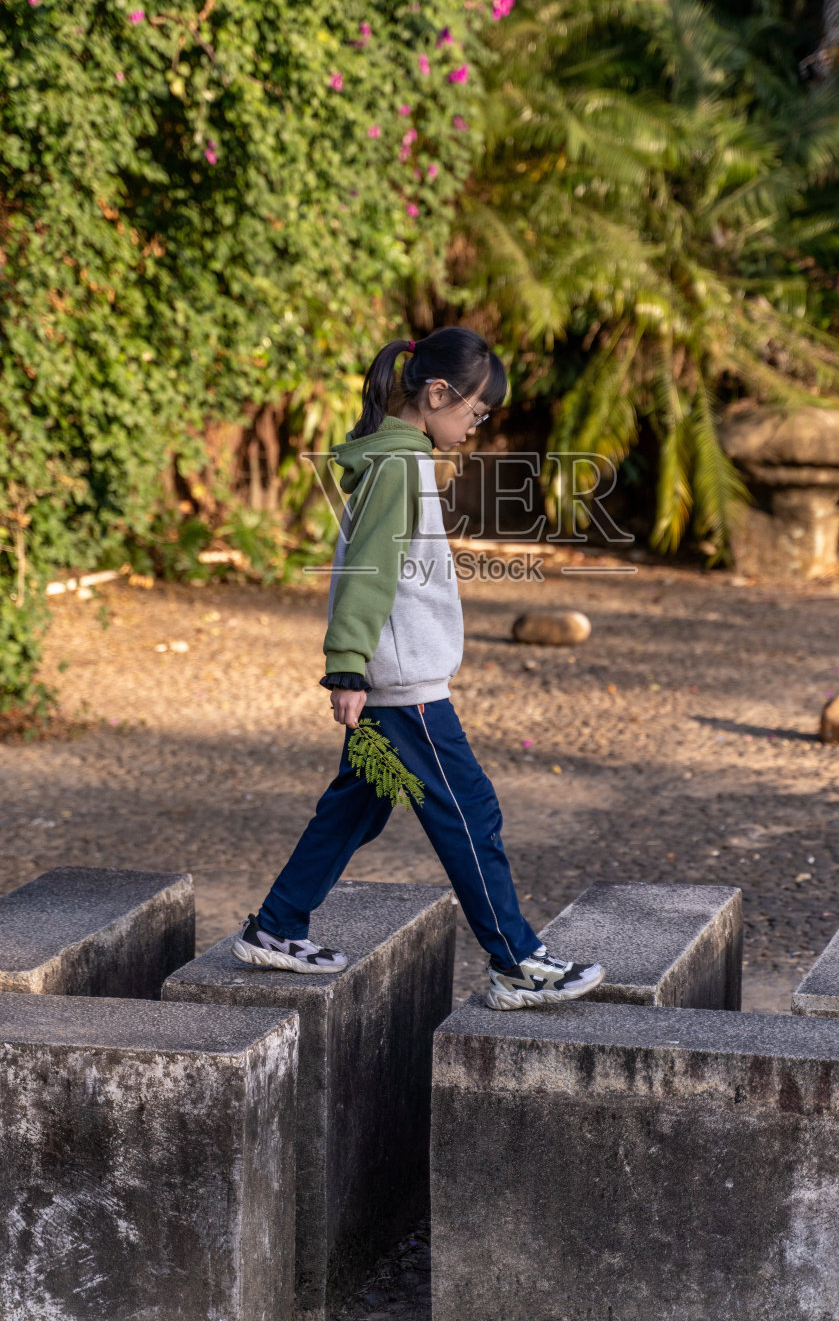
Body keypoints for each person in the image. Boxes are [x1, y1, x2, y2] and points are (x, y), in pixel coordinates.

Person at [233, 325, 605, 1009]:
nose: (474, 428)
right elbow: (368, 573)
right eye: (474, 414)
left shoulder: (398, 461)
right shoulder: (398, 469)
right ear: (436, 394)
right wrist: (347, 668)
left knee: (358, 804)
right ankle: (517, 963)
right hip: (404, 688)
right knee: (469, 811)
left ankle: (276, 927)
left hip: (394, 677)